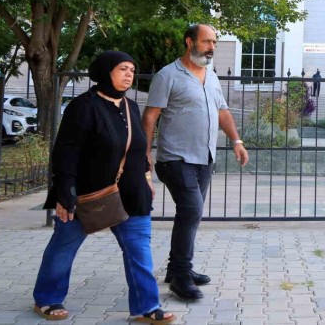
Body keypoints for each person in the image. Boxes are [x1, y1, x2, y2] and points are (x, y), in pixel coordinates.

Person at [33, 51, 174, 324]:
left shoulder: (131, 107)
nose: (129, 74)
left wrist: (146, 178)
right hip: (87, 194)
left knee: (139, 251)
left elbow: (137, 149)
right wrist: (65, 192)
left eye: (132, 69)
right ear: (105, 71)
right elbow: (66, 152)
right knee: (63, 247)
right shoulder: (83, 106)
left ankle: (146, 306)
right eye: (123, 69)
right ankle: (47, 298)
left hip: (131, 193)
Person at [143, 24, 249, 301]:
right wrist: (145, 153)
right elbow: (151, 116)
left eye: (214, 42)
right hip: (175, 158)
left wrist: (236, 141)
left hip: (205, 158)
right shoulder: (167, 75)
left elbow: (222, 111)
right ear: (189, 42)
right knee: (191, 210)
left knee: (191, 214)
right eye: (206, 42)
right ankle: (181, 276)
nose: (211, 47)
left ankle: (176, 269)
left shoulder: (211, 76)